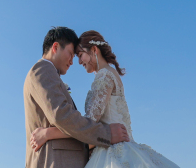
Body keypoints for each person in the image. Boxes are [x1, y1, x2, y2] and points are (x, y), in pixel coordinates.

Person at [30, 30, 180, 168]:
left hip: (112, 152)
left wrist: (48, 133)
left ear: (94, 50)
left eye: (80, 54)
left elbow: (89, 122)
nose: (78, 61)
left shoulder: (104, 76)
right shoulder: (109, 73)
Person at [24, 27, 130, 168]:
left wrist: (48, 133)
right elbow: (62, 116)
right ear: (55, 47)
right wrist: (107, 133)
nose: (73, 62)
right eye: (71, 54)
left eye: (78, 55)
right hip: (54, 161)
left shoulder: (51, 73)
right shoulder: (43, 69)